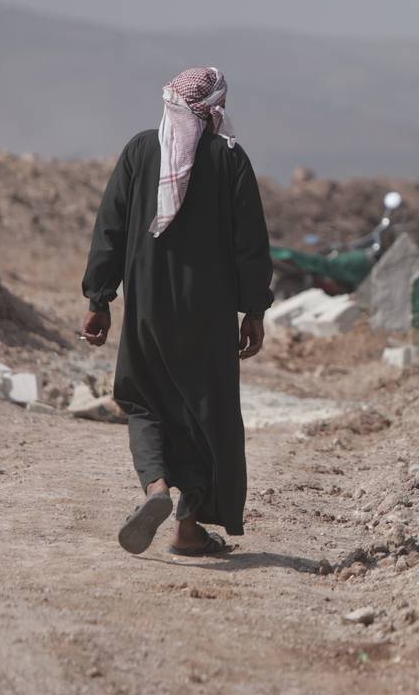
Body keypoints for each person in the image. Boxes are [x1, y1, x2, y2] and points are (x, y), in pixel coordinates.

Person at [81, 66, 273, 556]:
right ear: (215, 108)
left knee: (145, 399)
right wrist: (254, 310)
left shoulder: (141, 151)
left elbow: (111, 229)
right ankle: (188, 527)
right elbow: (250, 243)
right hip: (208, 313)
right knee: (205, 411)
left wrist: (99, 298)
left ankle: (156, 490)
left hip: (146, 305)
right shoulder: (230, 159)